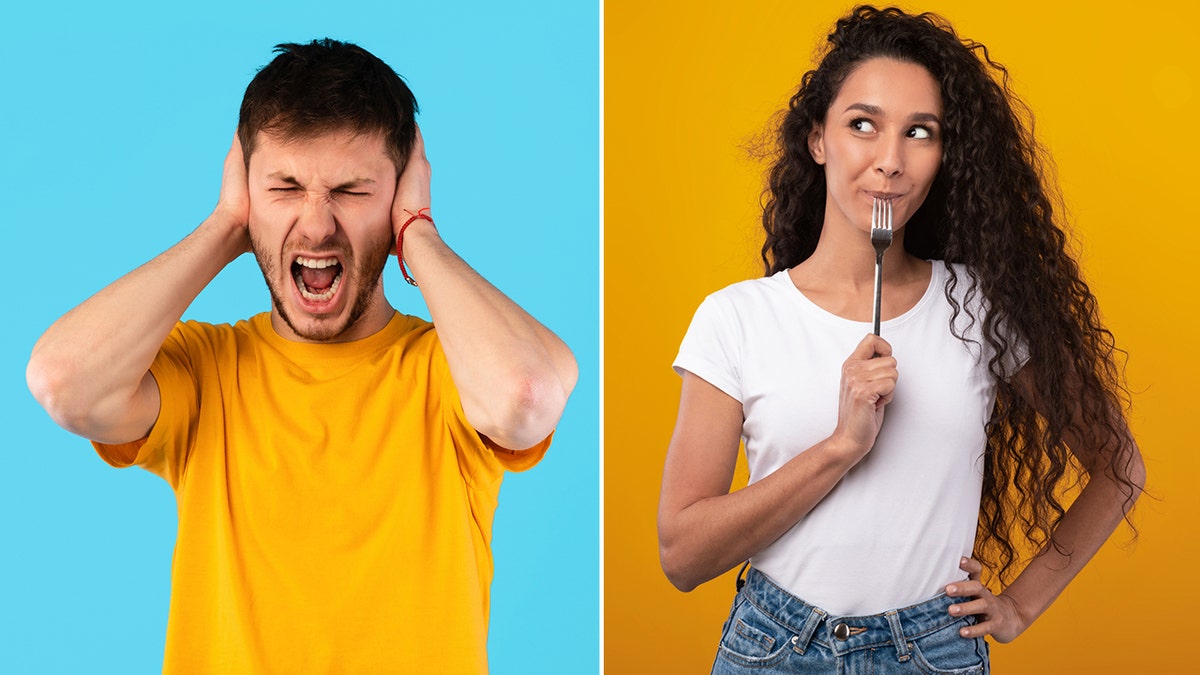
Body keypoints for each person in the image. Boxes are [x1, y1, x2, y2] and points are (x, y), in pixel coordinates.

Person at [26, 39, 577, 674]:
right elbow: (63, 381)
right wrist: (225, 224)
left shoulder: (446, 370)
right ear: (245, 189)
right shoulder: (207, 370)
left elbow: (527, 398)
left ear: (399, 194)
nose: (316, 226)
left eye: (352, 189)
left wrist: (418, 232)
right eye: (284, 186)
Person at [657, 6, 1144, 674]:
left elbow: (1120, 465)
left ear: (945, 156)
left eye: (920, 132)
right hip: (774, 648)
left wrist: (1019, 607)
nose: (890, 161)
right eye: (863, 124)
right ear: (818, 139)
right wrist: (840, 447)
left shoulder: (979, 305)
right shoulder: (736, 318)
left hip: (934, 650)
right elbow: (683, 555)